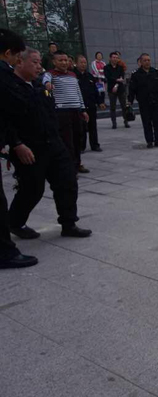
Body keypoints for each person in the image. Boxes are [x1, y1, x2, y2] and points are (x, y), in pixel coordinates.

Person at [9, 48, 92, 240]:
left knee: (67, 181)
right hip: (29, 147)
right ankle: (14, 222)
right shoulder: (10, 87)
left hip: (53, 142)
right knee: (32, 189)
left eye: (40, 63)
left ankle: (69, 223)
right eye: (35, 62)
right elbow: (6, 121)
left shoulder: (39, 86)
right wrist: (16, 144)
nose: (39, 67)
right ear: (19, 62)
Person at [0, 29, 38, 268]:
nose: (16, 62)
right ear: (7, 53)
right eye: (16, 57)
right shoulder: (4, 76)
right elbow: (16, 107)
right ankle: (5, 253)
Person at [43, 51, 90, 174]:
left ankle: (77, 163)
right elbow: (45, 80)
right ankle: (70, 168)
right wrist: (47, 84)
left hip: (76, 110)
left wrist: (83, 109)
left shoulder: (73, 75)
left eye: (66, 60)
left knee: (78, 139)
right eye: (60, 60)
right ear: (54, 62)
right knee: (67, 140)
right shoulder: (51, 74)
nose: (64, 63)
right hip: (62, 112)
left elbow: (78, 92)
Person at [128, 53, 158, 148]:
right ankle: (149, 141)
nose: (147, 62)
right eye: (145, 60)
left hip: (155, 101)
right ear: (141, 62)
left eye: (148, 60)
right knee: (146, 122)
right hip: (144, 103)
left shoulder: (156, 72)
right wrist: (129, 100)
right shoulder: (136, 74)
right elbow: (132, 89)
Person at [75, 55, 106, 153]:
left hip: (91, 104)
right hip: (80, 106)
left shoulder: (90, 76)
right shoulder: (73, 76)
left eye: (84, 62)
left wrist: (100, 102)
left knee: (93, 126)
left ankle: (95, 145)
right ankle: (81, 146)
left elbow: (97, 90)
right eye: (81, 62)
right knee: (81, 128)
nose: (83, 64)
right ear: (76, 63)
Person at [104, 51, 129, 129]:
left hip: (120, 89)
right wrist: (117, 80)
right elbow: (108, 77)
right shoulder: (106, 68)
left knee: (123, 106)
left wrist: (117, 83)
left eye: (116, 58)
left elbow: (121, 78)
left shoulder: (120, 67)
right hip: (111, 90)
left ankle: (126, 121)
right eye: (113, 57)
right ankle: (114, 123)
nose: (115, 59)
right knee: (112, 107)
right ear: (110, 58)